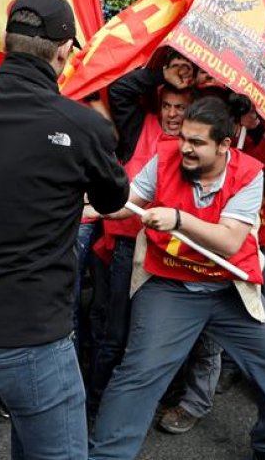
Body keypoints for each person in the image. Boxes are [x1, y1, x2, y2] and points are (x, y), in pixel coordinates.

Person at [0, 0, 128, 459]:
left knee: (31, 431)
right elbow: (112, 197)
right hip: (30, 342)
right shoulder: (82, 126)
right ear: (63, 51)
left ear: (8, 43)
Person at [87, 96, 265, 460]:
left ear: (224, 145)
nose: (185, 147)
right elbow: (127, 202)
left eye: (197, 142)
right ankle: (106, 456)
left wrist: (179, 219)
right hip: (171, 285)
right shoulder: (165, 158)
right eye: (184, 137)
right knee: (138, 373)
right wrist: (85, 207)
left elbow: (231, 241)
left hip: (228, 288)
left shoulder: (249, 172)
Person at [88, 53, 195, 417]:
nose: (172, 113)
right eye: (166, 105)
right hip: (127, 245)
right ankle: (98, 404)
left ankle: (166, 398)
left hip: (173, 251)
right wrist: (160, 75)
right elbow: (118, 91)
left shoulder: (198, 142)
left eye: (180, 107)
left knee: (164, 331)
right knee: (115, 332)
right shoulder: (139, 126)